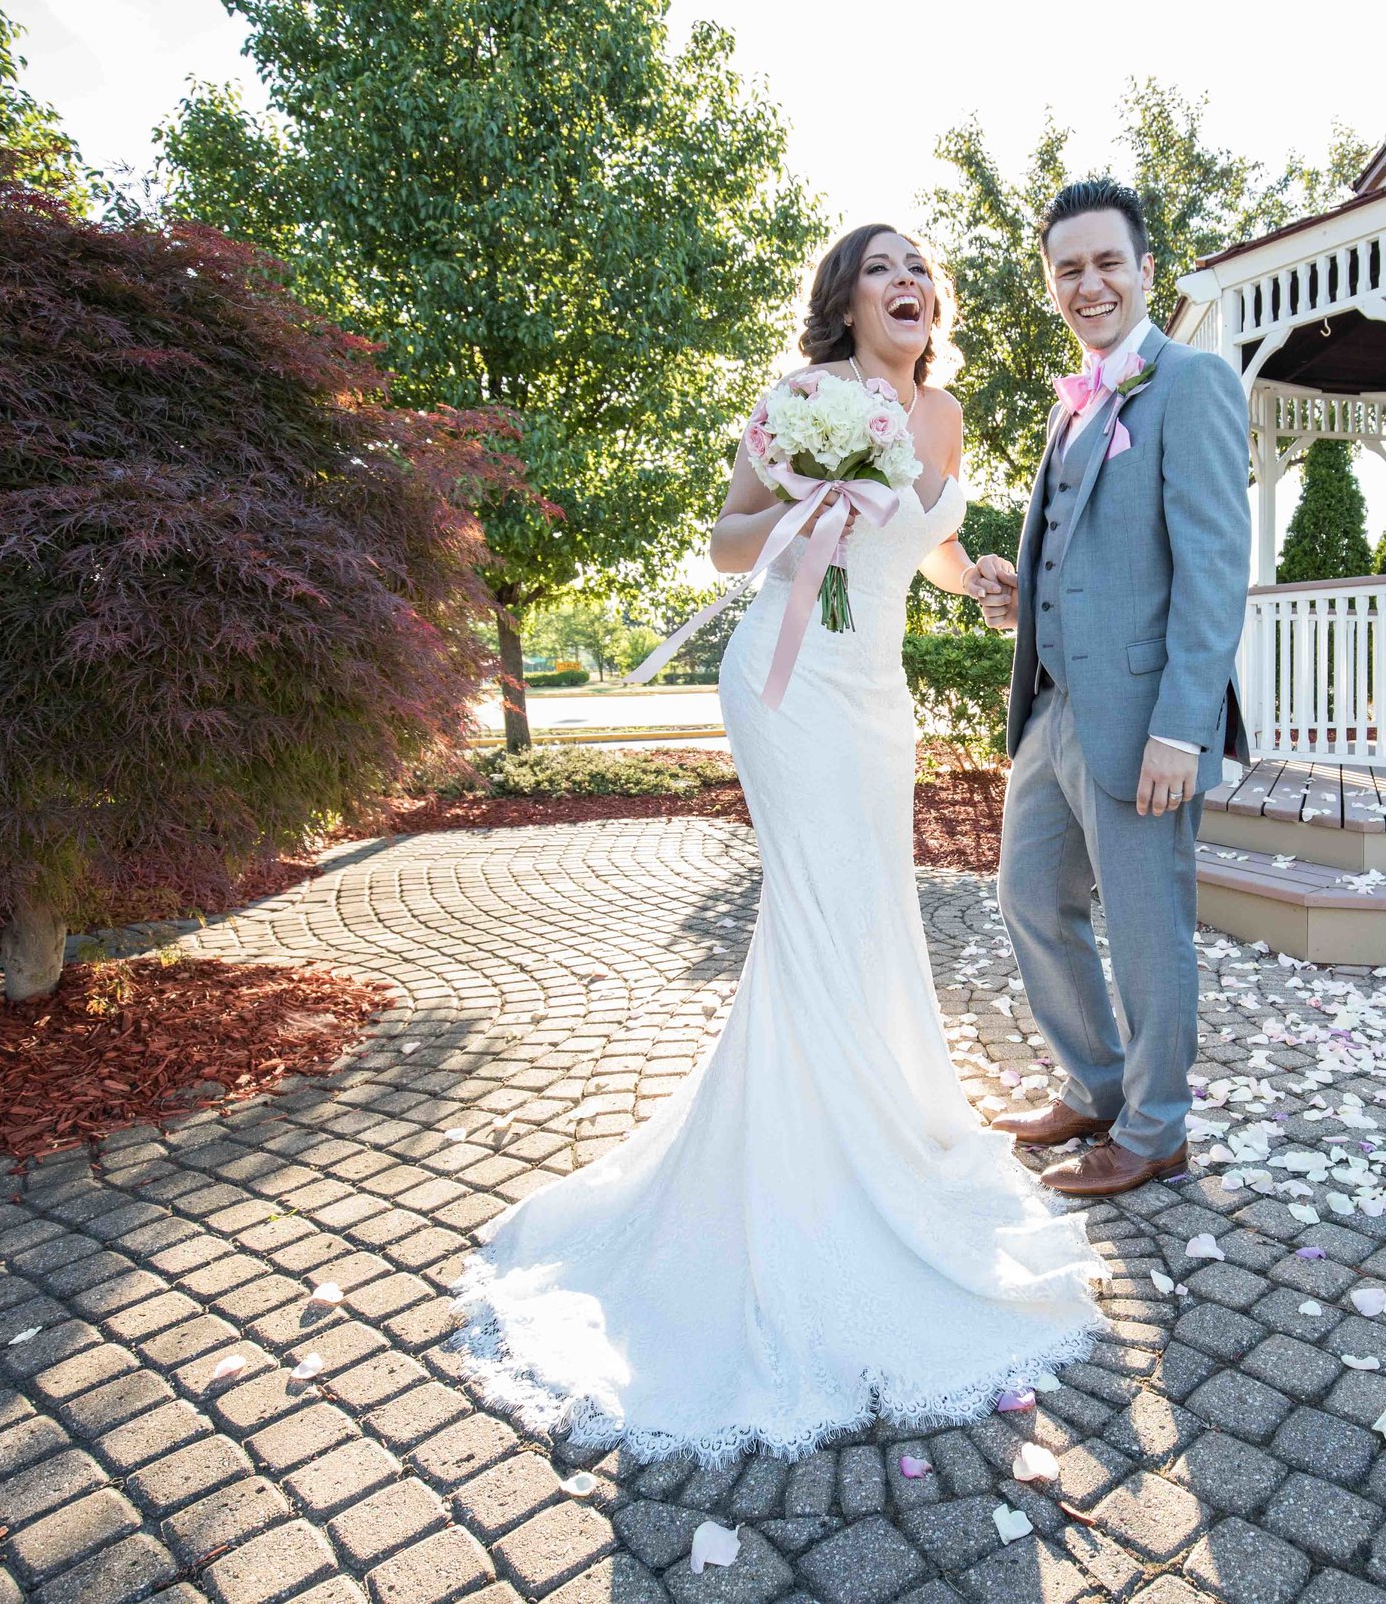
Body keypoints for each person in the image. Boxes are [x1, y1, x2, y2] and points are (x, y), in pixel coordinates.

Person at [458, 225, 1108, 1463]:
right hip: (784, 675)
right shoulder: (797, 399)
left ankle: (861, 1128)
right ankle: (811, 1183)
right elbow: (725, 543)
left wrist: (974, 578)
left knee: (870, 912)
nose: (907, 282)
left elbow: (918, 545)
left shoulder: (948, 415)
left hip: (874, 693)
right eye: (880, 268)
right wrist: (804, 499)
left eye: (919, 268)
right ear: (845, 299)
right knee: (814, 906)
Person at [967, 179, 1252, 1198]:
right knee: (1030, 897)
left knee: (1145, 924)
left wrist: (1185, 725)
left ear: (1143, 269)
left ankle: (1157, 1125)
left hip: (1141, 720)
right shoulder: (1078, 401)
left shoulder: (1193, 381)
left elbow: (1213, 568)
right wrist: (1020, 596)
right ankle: (1094, 1086)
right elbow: (1095, 559)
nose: (1087, 283)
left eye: (1105, 262)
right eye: (1067, 268)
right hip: (1052, 708)